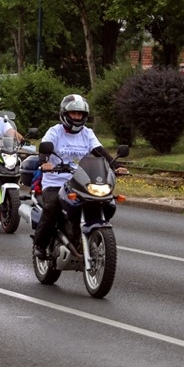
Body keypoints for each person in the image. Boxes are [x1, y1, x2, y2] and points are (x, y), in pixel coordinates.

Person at [32, 94, 125, 259]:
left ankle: (86, 235)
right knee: (53, 207)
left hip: (81, 181)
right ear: (65, 114)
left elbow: (99, 152)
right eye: (74, 113)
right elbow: (44, 149)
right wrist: (45, 162)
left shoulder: (87, 133)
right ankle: (40, 244)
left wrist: (116, 165)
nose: (77, 117)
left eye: (80, 114)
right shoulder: (55, 131)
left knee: (105, 202)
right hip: (56, 181)